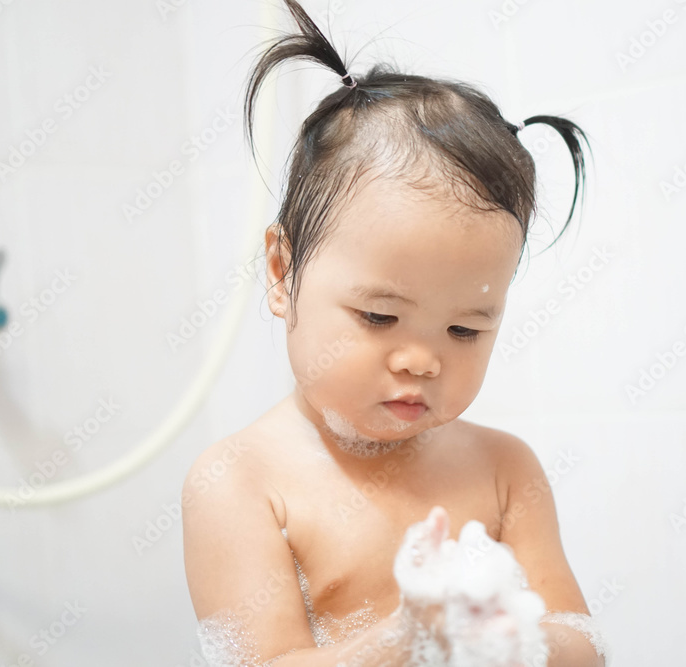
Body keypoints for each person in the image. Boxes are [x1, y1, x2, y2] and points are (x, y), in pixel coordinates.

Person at [181, 1, 608, 664]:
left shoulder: (504, 470)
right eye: (379, 317)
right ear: (280, 270)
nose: (421, 360)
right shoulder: (240, 481)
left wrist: (507, 632)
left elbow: (583, 645)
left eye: (465, 328)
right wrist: (404, 640)